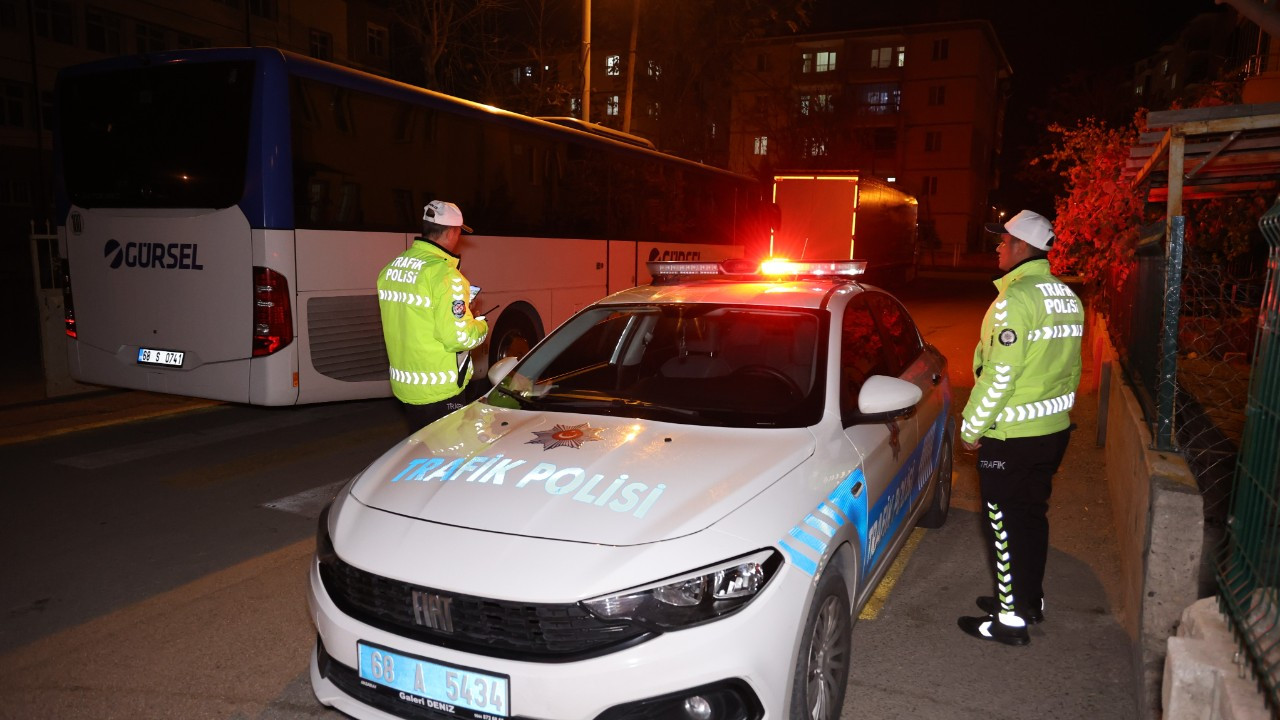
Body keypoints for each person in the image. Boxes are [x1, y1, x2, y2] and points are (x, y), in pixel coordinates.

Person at [956, 209, 1084, 647]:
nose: (997, 246)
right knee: (1031, 518)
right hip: (1053, 431)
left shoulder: (1016, 300)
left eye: (1002, 240)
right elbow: (1071, 367)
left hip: (1012, 437)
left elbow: (999, 374)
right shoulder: (1067, 296)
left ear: (1021, 247)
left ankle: (1009, 621)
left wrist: (972, 426)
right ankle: (1028, 600)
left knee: (1003, 525)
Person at [377, 200, 489, 433]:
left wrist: (459, 311)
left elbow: (416, 316)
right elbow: (458, 338)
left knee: (422, 457)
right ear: (452, 232)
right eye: (459, 232)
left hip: (406, 386)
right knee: (449, 459)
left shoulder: (391, 268)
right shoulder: (447, 276)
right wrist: (479, 324)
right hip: (440, 389)